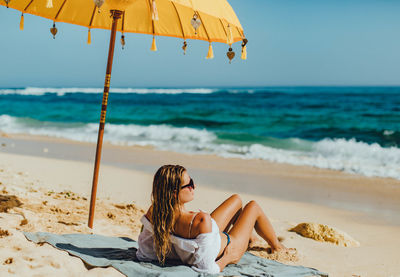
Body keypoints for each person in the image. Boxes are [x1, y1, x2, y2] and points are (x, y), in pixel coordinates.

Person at [137, 165, 286, 274]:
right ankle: (277, 246)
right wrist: (228, 258)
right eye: (189, 185)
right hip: (228, 245)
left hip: (206, 237)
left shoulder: (156, 212)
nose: (194, 186)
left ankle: (250, 238)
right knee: (253, 207)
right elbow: (207, 270)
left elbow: (144, 254)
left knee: (236, 200)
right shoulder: (200, 220)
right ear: (175, 193)